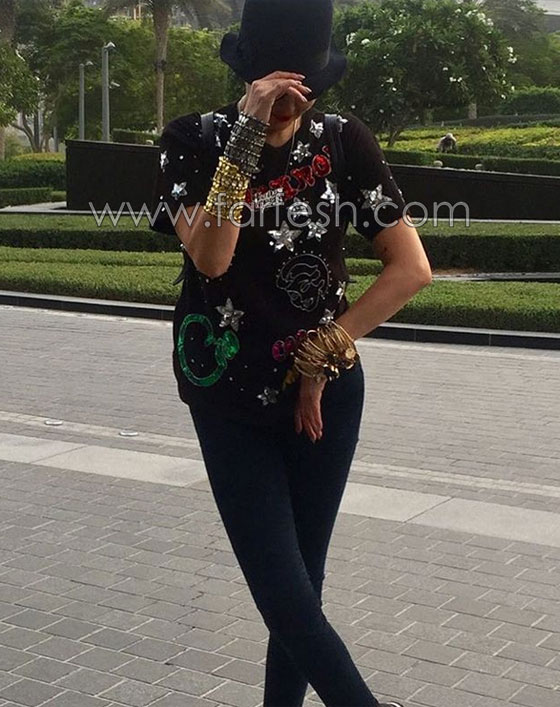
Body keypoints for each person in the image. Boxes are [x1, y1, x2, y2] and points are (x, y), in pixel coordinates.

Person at [150, 1, 431, 704]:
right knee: (282, 590)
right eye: (273, 89)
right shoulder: (191, 140)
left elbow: (410, 269)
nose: (287, 105)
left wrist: (326, 348)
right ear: (248, 76)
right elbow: (212, 258)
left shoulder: (344, 141)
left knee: (305, 583)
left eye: (299, 90)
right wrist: (248, 135)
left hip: (326, 391)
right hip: (229, 393)